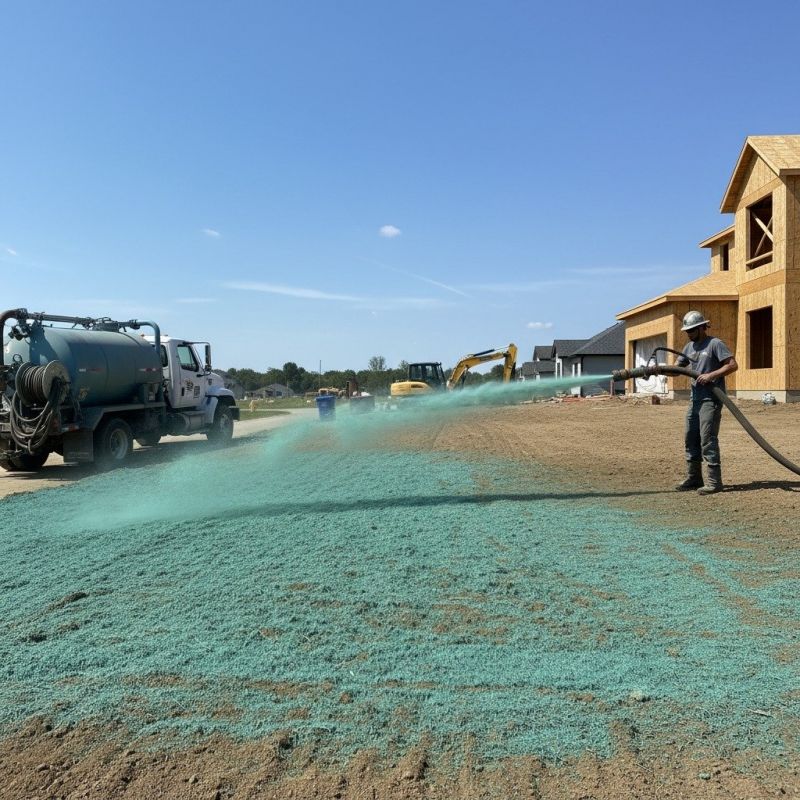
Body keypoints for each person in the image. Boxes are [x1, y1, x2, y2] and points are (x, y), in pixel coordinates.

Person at [675, 310, 738, 494]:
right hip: (694, 400)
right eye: (687, 331)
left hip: (711, 399)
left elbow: (733, 365)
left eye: (692, 330)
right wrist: (656, 370)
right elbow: (677, 369)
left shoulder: (714, 344)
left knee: (707, 438)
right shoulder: (689, 348)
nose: (689, 334)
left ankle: (714, 482)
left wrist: (711, 375)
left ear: (702, 327)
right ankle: (694, 478)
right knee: (690, 437)